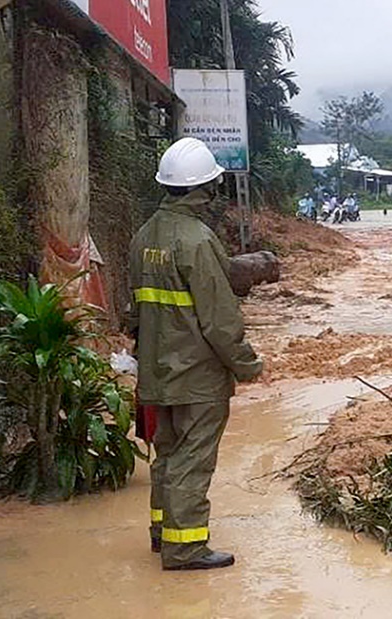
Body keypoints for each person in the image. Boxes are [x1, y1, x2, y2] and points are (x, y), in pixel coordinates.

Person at [129, 137, 263, 571]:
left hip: (156, 371)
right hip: (197, 376)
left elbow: (136, 314)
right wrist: (246, 364)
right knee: (192, 458)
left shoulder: (143, 237)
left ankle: (161, 534)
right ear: (205, 188)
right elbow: (220, 320)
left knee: (166, 454)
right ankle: (185, 548)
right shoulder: (198, 241)